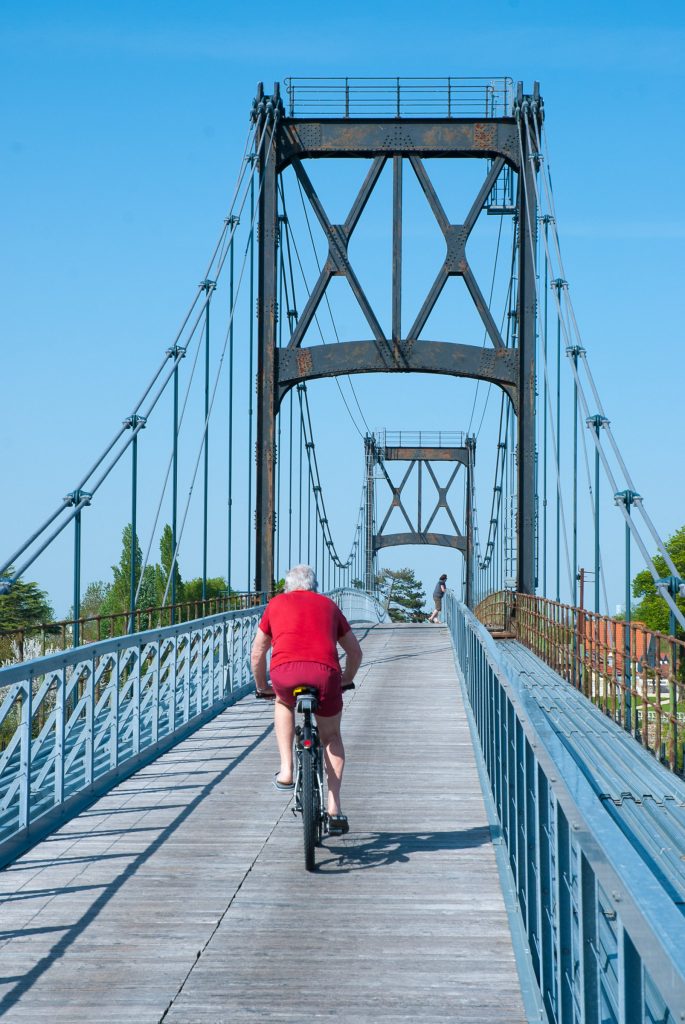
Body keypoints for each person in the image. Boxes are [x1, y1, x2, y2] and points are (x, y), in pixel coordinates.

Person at [250, 564, 362, 835]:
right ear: (315, 587)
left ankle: (286, 770)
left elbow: (257, 653)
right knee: (331, 736)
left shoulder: (275, 605)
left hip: (285, 674)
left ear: (287, 588)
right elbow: (355, 652)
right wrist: (345, 679)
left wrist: (262, 686)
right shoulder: (329, 606)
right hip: (325, 675)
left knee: (282, 701)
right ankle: (334, 807)